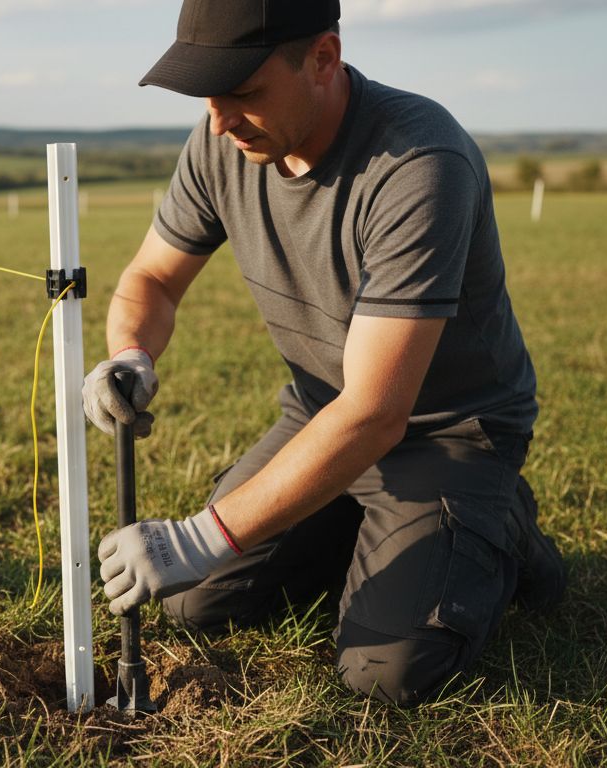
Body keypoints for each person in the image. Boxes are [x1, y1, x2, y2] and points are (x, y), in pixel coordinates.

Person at [84, 0, 566, 706]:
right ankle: (370, 525)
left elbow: (376, 412)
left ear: (323, 59)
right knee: (196, 604)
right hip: (320, 420)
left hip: (445, 438)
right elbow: (151, 278)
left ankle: (498, 525)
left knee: (386, 675)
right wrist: (131, 354)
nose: (219, 120)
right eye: (207, 96)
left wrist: (200, 536)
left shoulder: (418, 163)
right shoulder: (223, 140)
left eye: (244, 91)